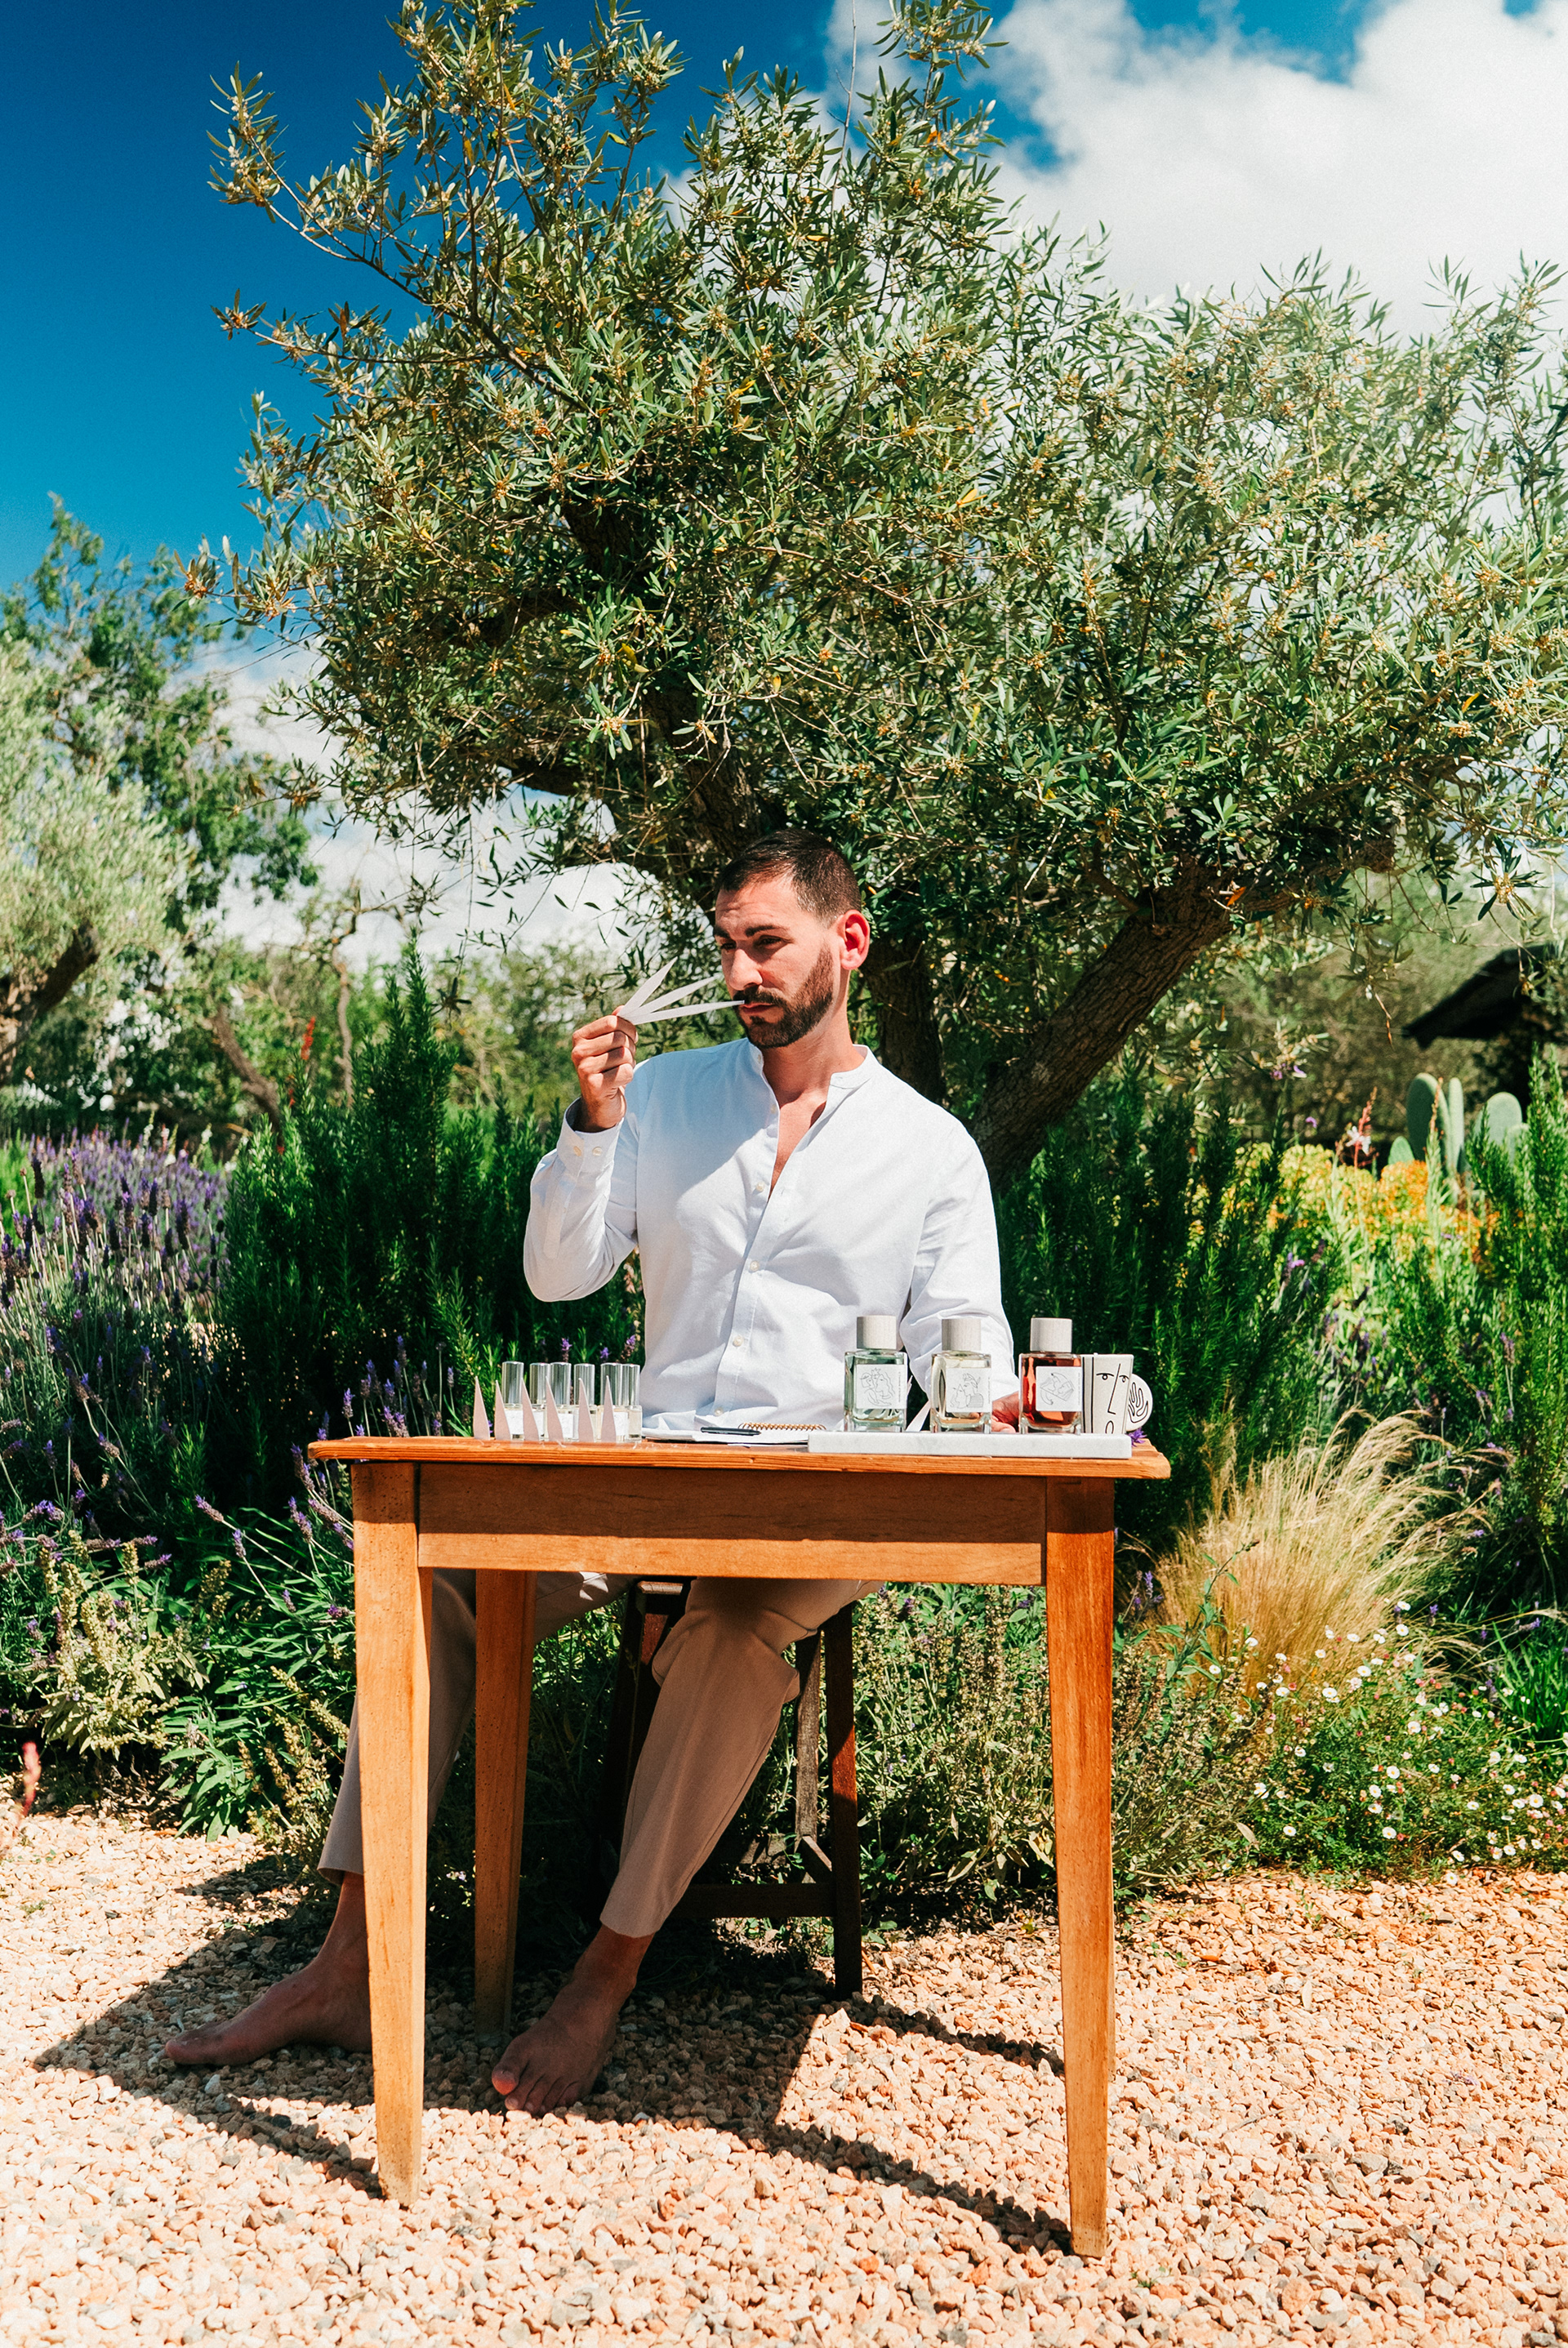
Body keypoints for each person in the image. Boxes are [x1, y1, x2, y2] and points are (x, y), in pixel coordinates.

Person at [167, 829, 1018, 2112]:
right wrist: (593, 1127)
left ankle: (602, 1979)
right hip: (644, 1481)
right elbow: (558, 1274)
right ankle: (348, 1963)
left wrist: (993, 1400)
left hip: (811, 1508)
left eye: (767, 943)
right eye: (725, 947)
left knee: (732, 1634)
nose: (741, 974)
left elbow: (965, 1351)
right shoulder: (662, 1098)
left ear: (848, 942)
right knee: (439, 1586)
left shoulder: (930, 1148)